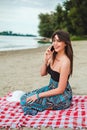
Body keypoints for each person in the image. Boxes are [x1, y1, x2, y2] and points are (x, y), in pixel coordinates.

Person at [20, 30, 73, 116]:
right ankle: (34, 107)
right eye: (54, 40)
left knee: (26, 101)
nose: (55, 44)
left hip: (62, 96)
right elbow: (42, 73)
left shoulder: (65, 62)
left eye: (58, 41)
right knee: (24, 97)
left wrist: (38, 96)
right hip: (50, 88)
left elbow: (60, 89)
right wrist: (45, 60)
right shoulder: (52, 55)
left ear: (66, 43)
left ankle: (33, 109)